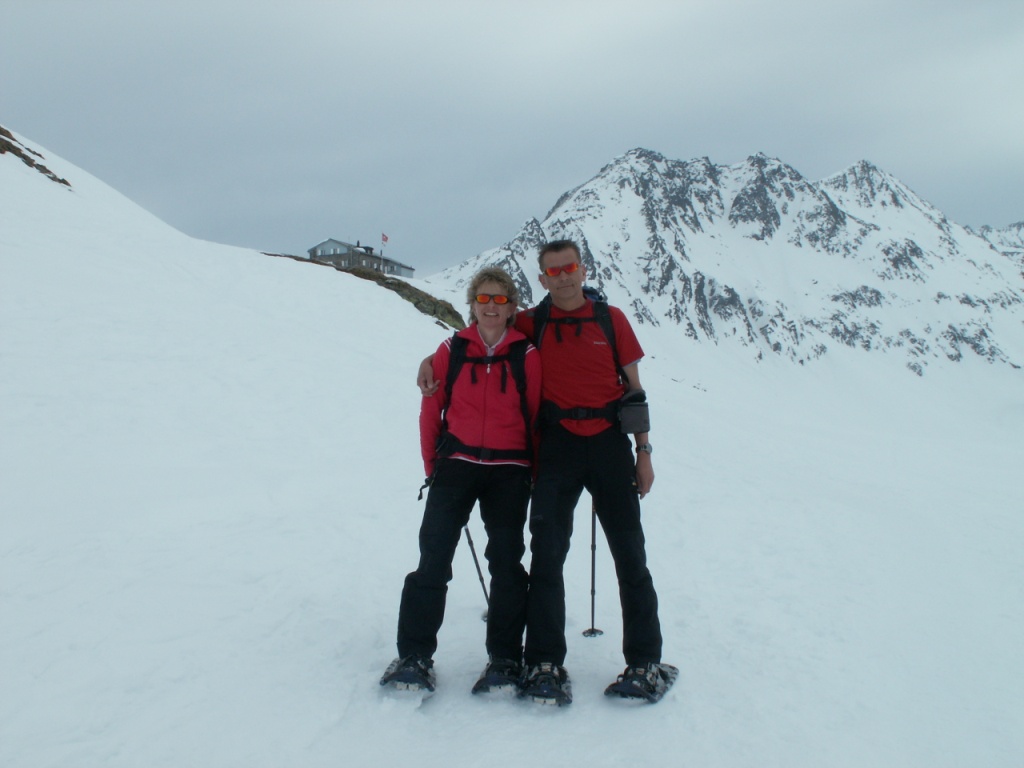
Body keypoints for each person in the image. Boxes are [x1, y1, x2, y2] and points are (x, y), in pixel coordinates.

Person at [418, 240, 668, 705]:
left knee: (629, 554)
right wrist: (431, 361)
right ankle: (544, 661)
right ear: (542, 278)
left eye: (569, 267)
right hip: (558, 447)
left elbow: (634, 392)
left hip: (610, 445)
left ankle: (645, 661)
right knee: (547, 555)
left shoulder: (611, 320)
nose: (563, 276)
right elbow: (485, 330)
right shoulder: (534, 321)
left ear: (582, 269)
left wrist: (644, 452)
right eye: (553, 271)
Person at [381, 267, 542, 694]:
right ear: (472, 304)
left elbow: (535, 418)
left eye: (500, 299)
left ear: (512, 307)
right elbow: (430, 410)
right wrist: (431, 467)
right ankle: (414, 656)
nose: (491, 306)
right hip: (456, 465)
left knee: (506, 563)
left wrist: (534, 474)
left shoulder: (526, 354)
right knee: (433, 558)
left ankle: (505, 659)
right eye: (483, 298)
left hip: (510, 469)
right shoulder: (451, 349)